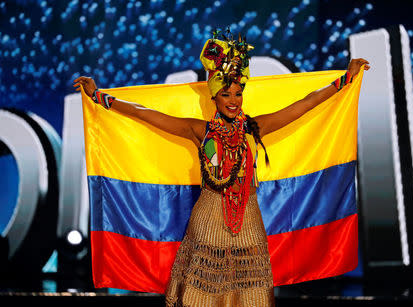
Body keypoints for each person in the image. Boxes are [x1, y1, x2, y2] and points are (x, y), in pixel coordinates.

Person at [73, 30, 370, 307]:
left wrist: (345, 79)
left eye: (238, 93)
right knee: (203, 295)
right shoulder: (199, 131)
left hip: (248, 218)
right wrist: (101, 97)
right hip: (208, 216)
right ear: (214, 96)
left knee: (253, 293)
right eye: (226, 94)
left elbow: (304, 105)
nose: (233, 100)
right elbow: (146, 114)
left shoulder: (256, 128)